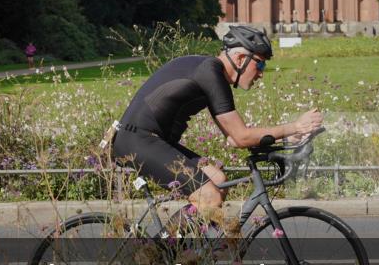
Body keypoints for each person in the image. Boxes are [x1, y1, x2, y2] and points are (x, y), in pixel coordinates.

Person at [111, 25, 322, 218]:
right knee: (209, 197)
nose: (261, 74)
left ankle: (174, 249)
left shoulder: (210, 72)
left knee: (218, 181)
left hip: (151, 141)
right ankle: (169, 254)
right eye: (260, 64)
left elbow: (232, 138)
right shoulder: (210, 73)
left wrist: (288, 136)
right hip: (138, 141)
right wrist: (293, 126)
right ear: (240, 59)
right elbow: (241, 137)